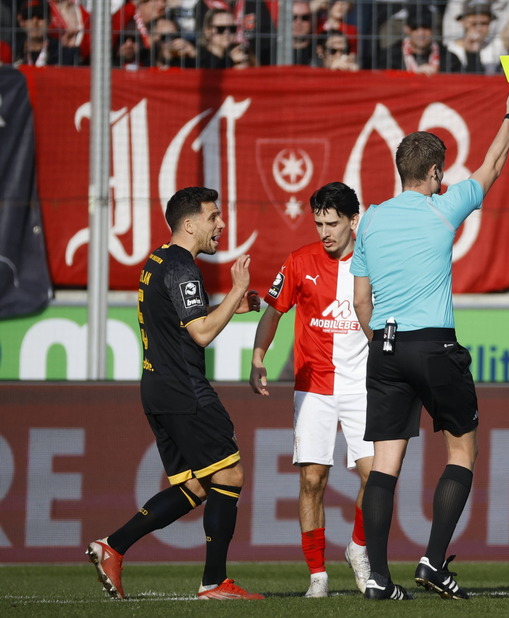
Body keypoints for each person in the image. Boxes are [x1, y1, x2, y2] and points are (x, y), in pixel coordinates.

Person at [351, 80, 509, 601]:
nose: (444, 178)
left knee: (384, 465)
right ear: (432, 173)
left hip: (383, 346)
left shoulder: (373, 219)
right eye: (441, 172)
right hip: (433, 344)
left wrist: (384, 341)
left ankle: (378, 580)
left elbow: (361, 303)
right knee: (462, 449)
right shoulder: (441, 207)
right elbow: (493, 166)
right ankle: (431, 561)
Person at [85, 186, 263, 601]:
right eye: (213, 217)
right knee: (230, 474)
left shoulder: (158, 260)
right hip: (185, 390)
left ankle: (113, 546)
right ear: (190, 223)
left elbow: (180, 315)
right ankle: (214, 583)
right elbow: (199, 333)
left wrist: (233, 305)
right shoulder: (183, 265)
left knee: (200, 486)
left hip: (157, 388)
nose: (220, 225)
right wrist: (238, 289)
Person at [250, 182, 374, 599]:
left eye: (333, 223)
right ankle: (317, 575)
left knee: (376, 478)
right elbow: (273, 311)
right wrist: (258, 357)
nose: (325, 231)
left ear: (353, 221)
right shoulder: (300, 261)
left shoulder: (374, 261)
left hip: (362, 386)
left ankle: (358, 549)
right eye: (319, 222)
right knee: (312, 481)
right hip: (314, 388)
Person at [445, 0, 509, 75]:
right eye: (474, 23)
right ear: (462, 22)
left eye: (484, 23)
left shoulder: (495, 46)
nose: (479, 28)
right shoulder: (450, 49)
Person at [380, 5, 458, 75]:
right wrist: (415, 75)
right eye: (415, 28)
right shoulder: (390, 57)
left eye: (426, 28)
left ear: (433, 30)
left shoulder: (449, 59)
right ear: (407, 30)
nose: (421, 33)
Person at [114, 0, 169, 69]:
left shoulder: (167, 25)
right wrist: (133, 3)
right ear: (141, 2)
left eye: (164, 0)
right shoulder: (127, 24)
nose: (162, 5)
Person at [290, 0, 317, 66]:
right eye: (293, 17)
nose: (299, 22)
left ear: (312, 20)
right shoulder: (271, 53)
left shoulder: (320, 52)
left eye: (304, 18)